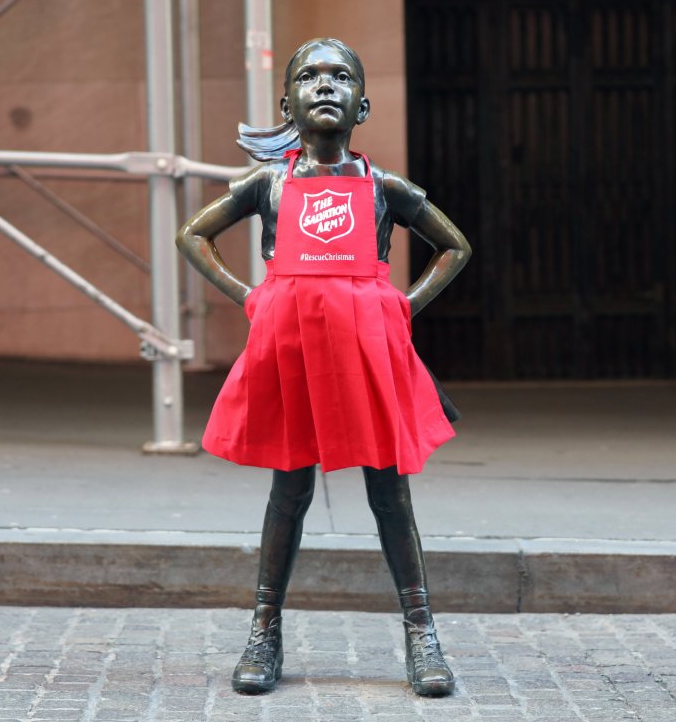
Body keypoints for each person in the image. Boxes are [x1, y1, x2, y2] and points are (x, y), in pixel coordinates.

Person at [176, 38, 471, 697]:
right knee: (290, 489)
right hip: (292, 352)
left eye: (341, 76)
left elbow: (454, 246)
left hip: (369, 353)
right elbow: (192, 234)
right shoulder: (267, 184)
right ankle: (264, 628)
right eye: (310, 76)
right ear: (287, 104)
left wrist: (402, 307)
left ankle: (422, 633)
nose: (326, 85)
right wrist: (249, 296)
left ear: (362, 103)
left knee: (389, 491)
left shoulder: (384, 188)